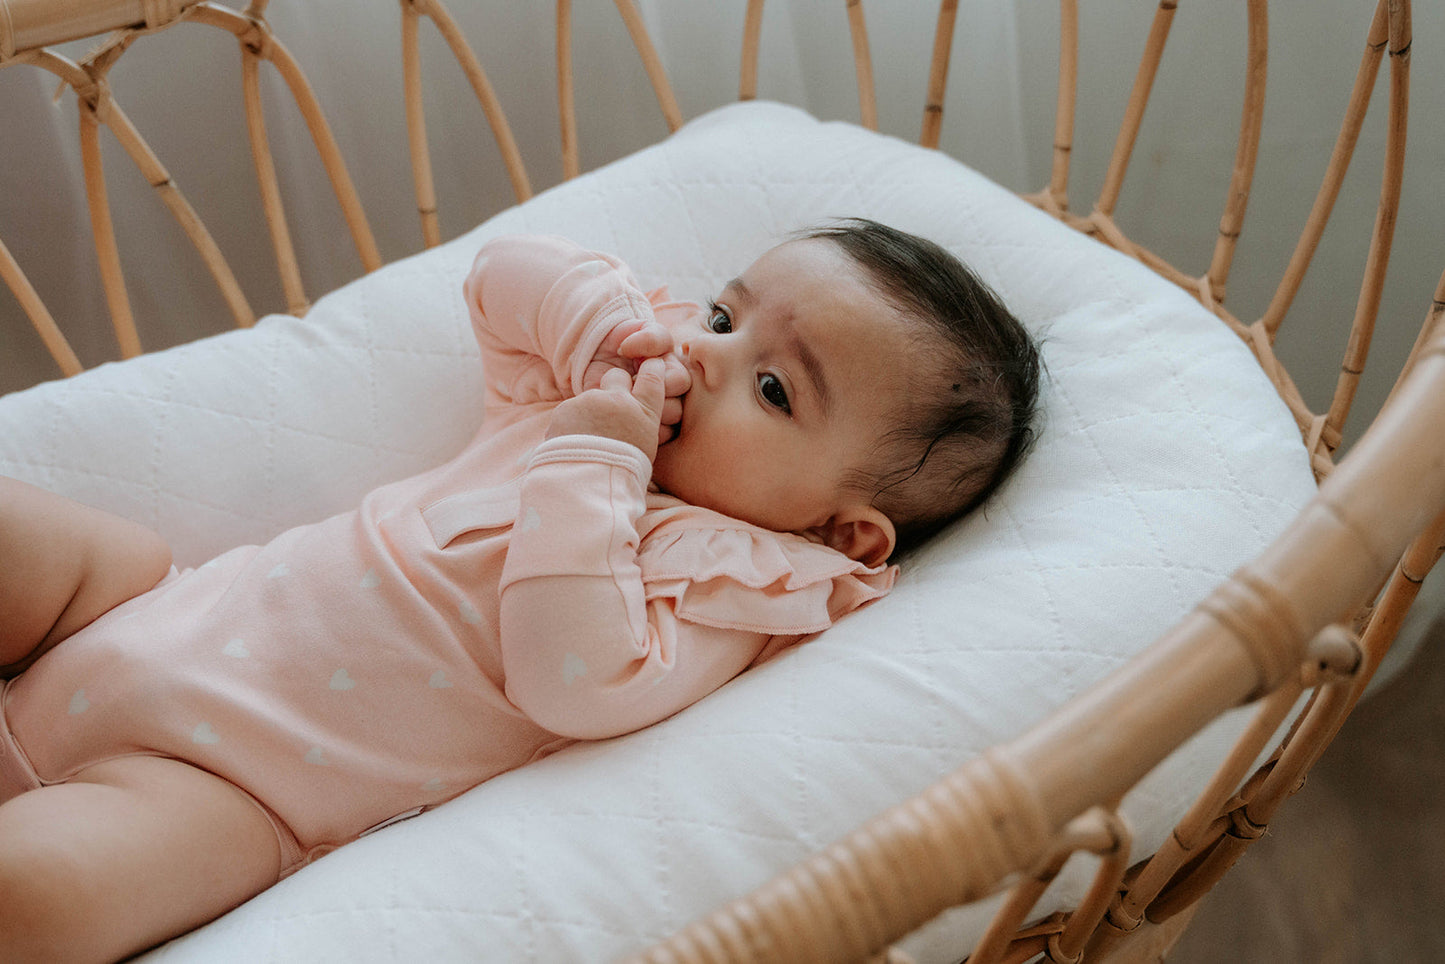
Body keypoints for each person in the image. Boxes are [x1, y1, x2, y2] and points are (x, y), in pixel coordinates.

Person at [0, 219, 1039, 961]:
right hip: (128, 603)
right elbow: (501, 276)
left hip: (225, 790)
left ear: (837, 526)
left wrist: (594, 464)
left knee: (34, 897)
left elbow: (571, 678)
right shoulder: (579, 391)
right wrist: (598, 328)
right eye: (725, 314)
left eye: (773, 388)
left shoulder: (730, 573)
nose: (703, 354)